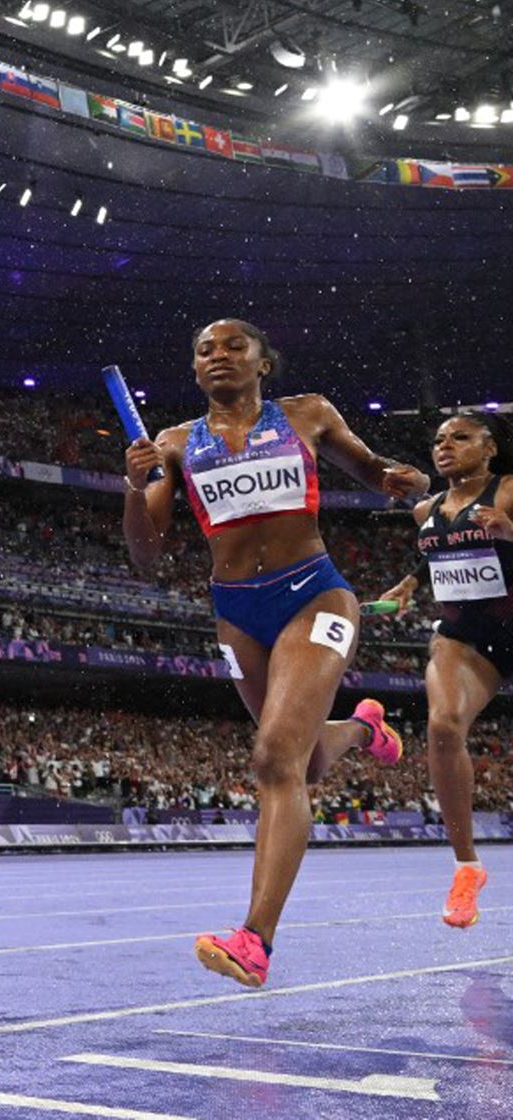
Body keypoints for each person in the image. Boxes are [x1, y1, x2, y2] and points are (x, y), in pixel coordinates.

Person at [122, 319, 428, 988]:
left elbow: (368, 466)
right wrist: (131, 486)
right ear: (195, 370)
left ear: (265, 362)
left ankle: (255, 939)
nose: (219, 357)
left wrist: (390, 476)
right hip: (236, 613)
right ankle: (362, 728)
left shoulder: (307, 414)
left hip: (315, 597)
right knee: (306, 760)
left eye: (234, 346)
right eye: (205, 350)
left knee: (272, 758)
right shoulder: (173, 445)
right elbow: (145, 556)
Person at [373, 411, 513, 928]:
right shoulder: (426, 510)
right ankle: (467, 866)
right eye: (438, 440)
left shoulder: (509, 493)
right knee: (442, 725)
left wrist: (510, 531)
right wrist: (410, 585)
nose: (444, 446)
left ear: (490, 447)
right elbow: (437, 556)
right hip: (466, 640)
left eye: (460, 437)